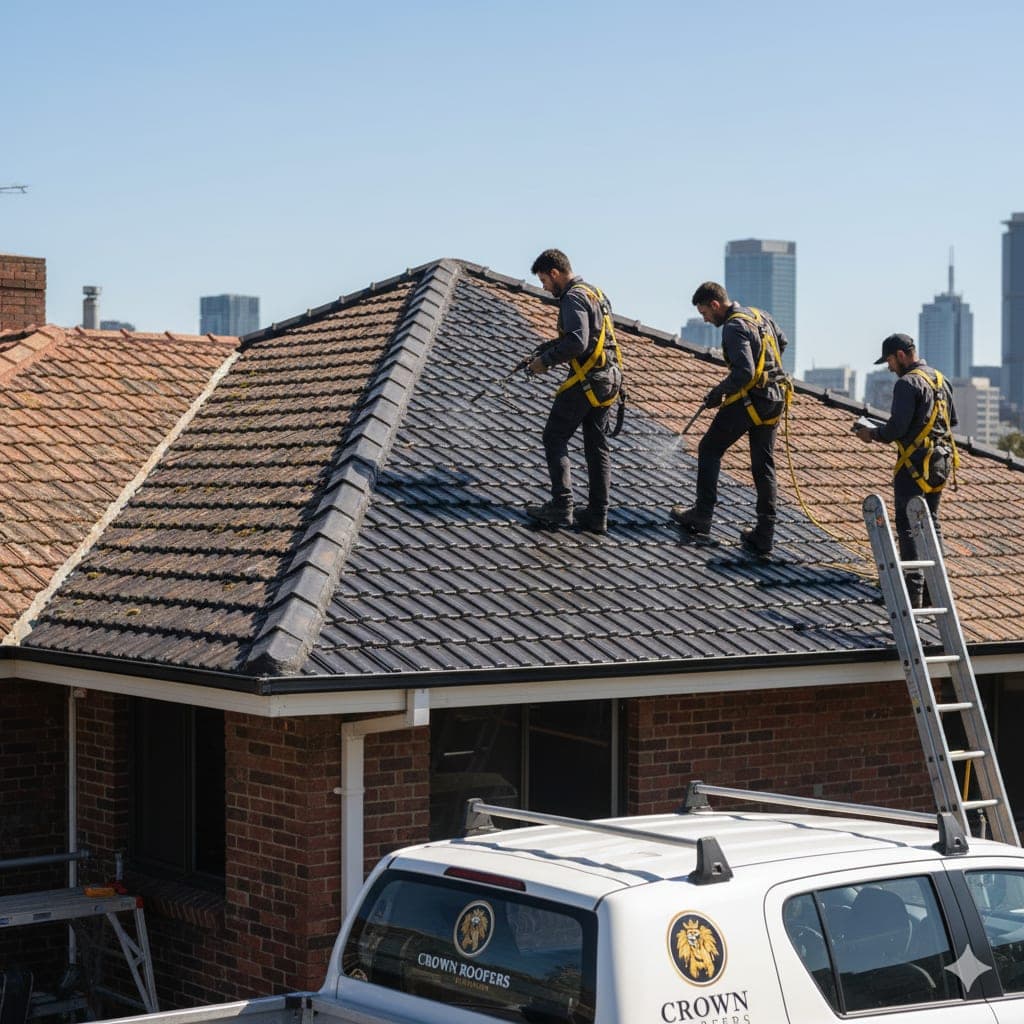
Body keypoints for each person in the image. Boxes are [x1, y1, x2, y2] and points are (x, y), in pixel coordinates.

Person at [671, 281, 789, 554]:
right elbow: (782, 342)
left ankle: (702, 516)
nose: (705, 319)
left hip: (752, 400)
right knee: (764, 465)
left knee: (709, 448)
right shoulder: (760, 316)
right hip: (775, 400)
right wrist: (766, 369)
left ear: (715, 304)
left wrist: (717, 393)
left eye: (705, 313)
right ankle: (764, 534)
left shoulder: (734, 327)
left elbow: (744, 373)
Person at [855, 333, 958, 607]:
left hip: (913, 466)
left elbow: (896, 430)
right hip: (939, 464)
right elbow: (952, 421)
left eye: (889, 361)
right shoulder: (940, 379)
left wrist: (872, 434)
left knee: (909, 527)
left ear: (900, 355)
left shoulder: (907, 383)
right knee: (931, 523)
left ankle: (912, 595)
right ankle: (934, 592)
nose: (889, 368)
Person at [524, 249, 622, 534]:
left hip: (588, 381)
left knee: (554, 435)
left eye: (543, 280)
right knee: (596, 444)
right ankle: (597, 514)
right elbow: (593, 338)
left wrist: (545, 362)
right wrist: (548, 348)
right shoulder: (596, 294)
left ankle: (561, 505)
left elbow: (578, 342)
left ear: (555, 273)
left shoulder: (573, 296)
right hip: (609, 380)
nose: (543, 287)